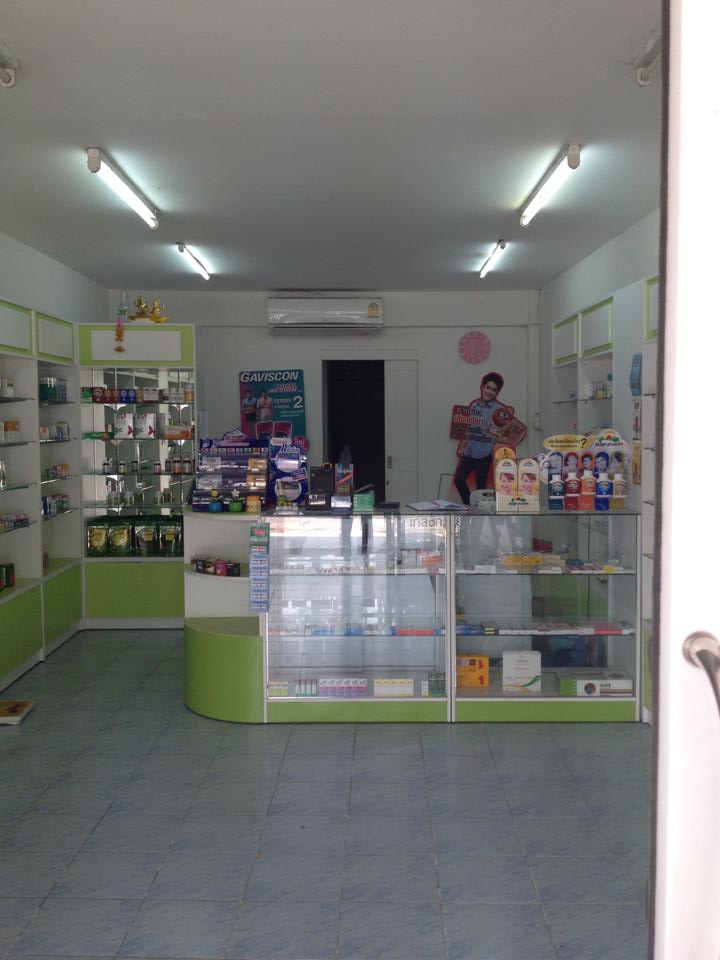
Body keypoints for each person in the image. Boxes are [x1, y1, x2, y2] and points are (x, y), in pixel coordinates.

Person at [454, 372, 505, 504]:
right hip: (469, 451)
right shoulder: (474, 405)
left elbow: (505, 434)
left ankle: (480, 511)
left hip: (485, 454)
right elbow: (468, 427)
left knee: (480, 486)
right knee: (458, 480)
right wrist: (462, 446)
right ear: (482, 387)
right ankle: (470, 506)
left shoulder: (500, 410)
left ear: (497, 392)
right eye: (488, 387)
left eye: (494, 390)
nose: (490, 392)